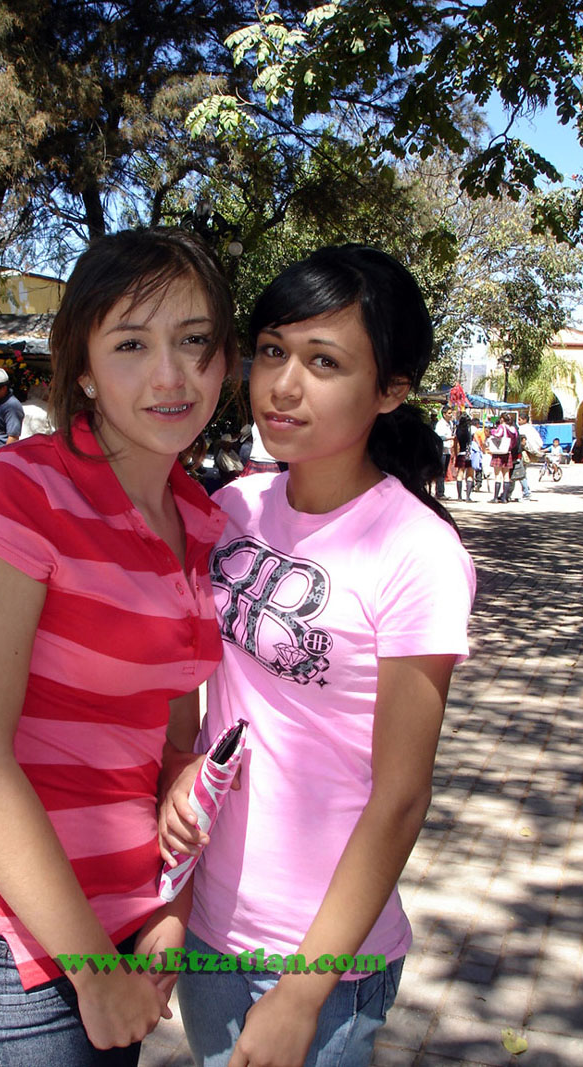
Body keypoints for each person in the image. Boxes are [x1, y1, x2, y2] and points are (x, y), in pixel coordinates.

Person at [0, 228, 239, 1065]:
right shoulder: (20, 492)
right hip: (20, 957)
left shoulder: (198, 517)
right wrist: (93, 972)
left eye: (194, 340)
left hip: (129, 932)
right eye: (131, 344)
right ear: (84, 368)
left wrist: (169, 908)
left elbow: (172, 752)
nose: (170, 375)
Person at [160, 245, 475, 1067]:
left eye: (324, 361)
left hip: (320, 958)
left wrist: (304, 990)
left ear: (391, 389)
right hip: (208, 922)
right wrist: (175, 765)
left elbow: (402, 795)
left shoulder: (417, 551)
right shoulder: (235, 506)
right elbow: (186, 665)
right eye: (272, 351)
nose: (283, 384)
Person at [487, 412, 515, 503]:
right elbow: (515, 440)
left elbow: (498, 434)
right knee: (506, 476)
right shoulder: (512, 428)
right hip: (508, 452)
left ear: (502, 419)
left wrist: (492, 431)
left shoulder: (501, 427)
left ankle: (495, 498)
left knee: (497, 475)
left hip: (498, 452)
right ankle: (504, 498)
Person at [433, 405, 454, 498]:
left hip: (448, 450)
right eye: (449, 413)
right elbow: (438, 437)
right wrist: (449, 438)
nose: (451, 415)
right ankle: (439, 492)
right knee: (440, 472)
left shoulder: (450, 424)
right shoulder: (440, 424)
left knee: (444, 472)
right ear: (444, 414)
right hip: (441, 451)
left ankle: (441, 491)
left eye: (451, 413)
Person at [453, 412, 475, 500]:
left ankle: (459, 496)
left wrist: (456, 453)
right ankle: (468, 497)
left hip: (461, 453)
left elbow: (455, 443)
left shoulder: (457, 430)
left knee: (460, 474)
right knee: (470, 474)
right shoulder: (472, 429)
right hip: (470, 453)